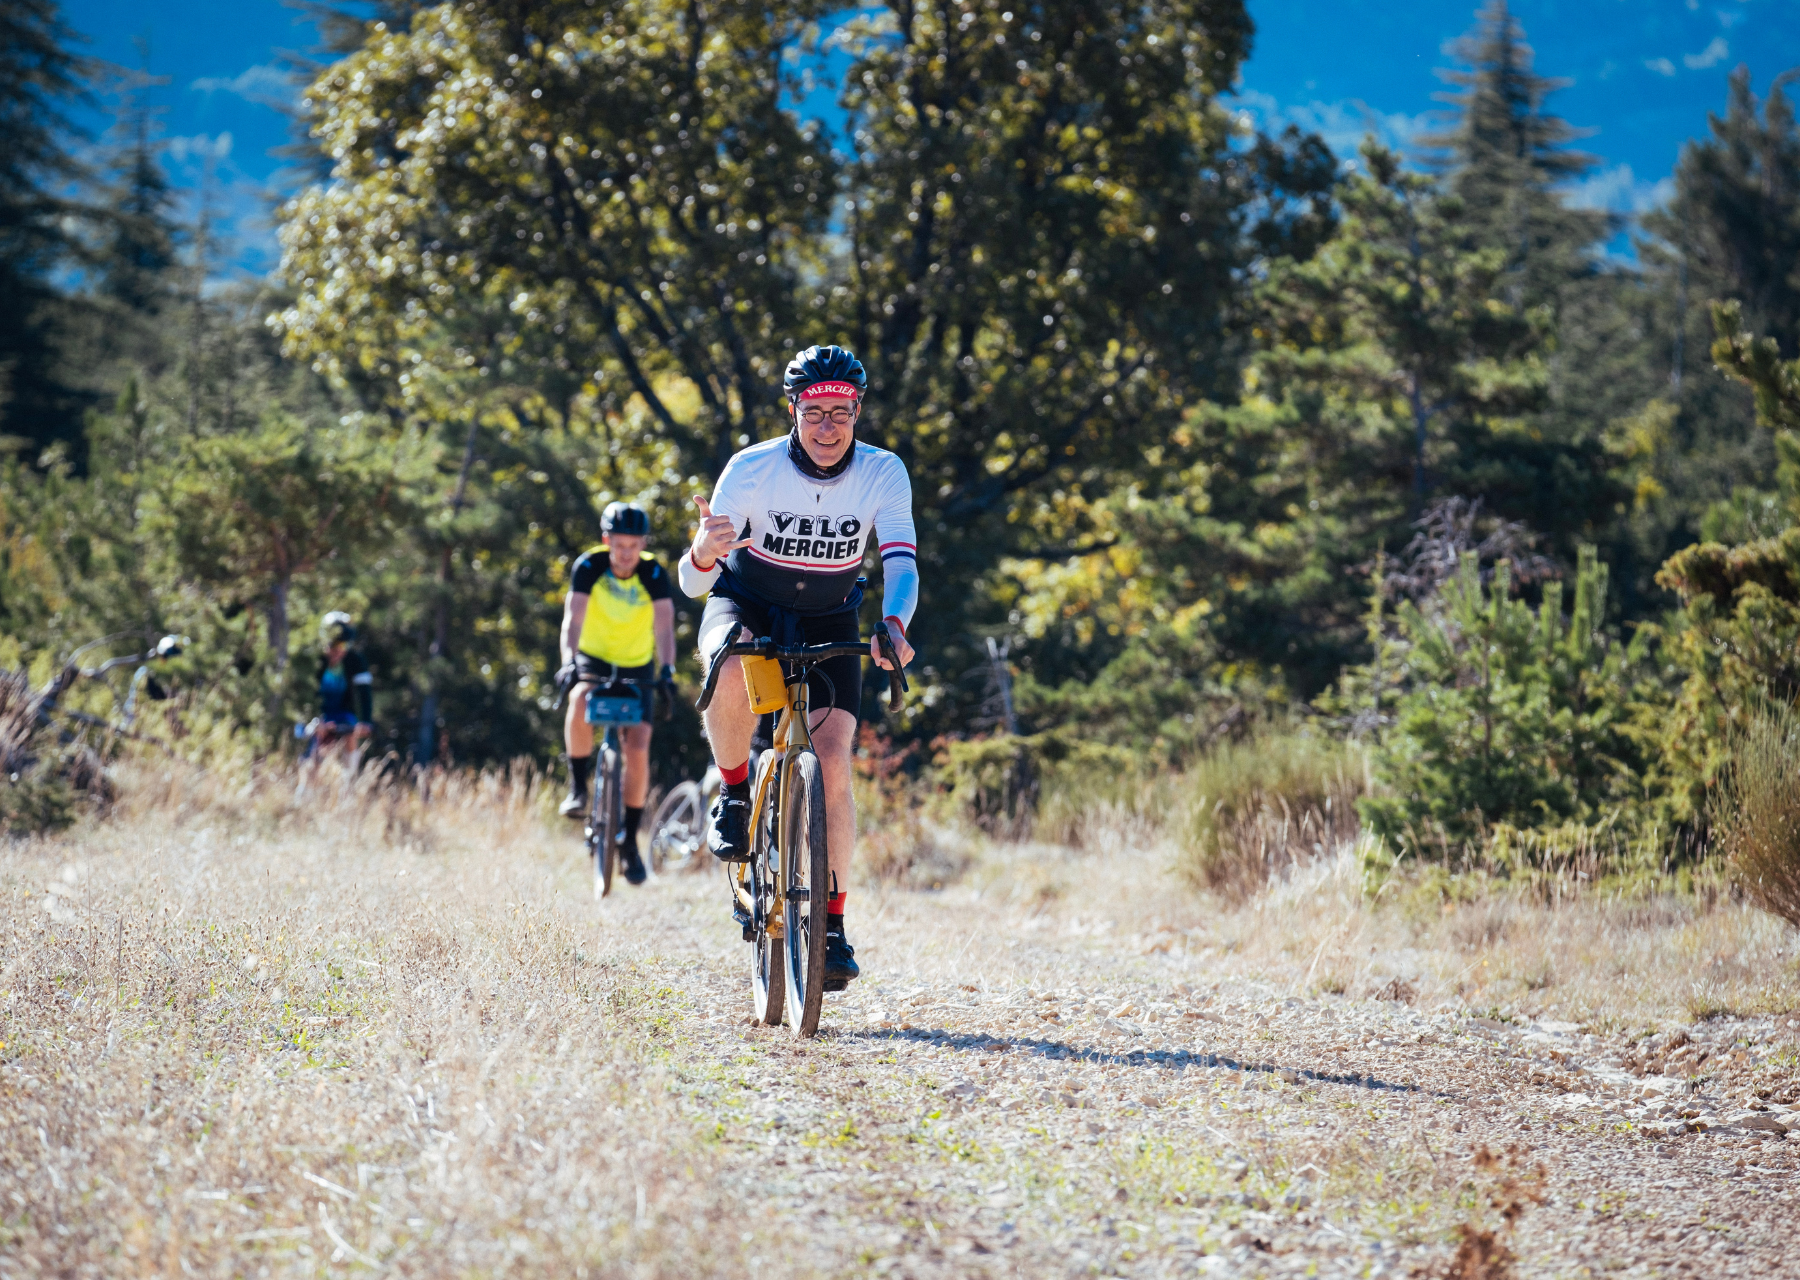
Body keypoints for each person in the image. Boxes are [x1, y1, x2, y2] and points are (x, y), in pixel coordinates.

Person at [678, 344, 917, 987]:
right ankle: (733, 792)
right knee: (728, 664)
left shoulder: (883, 471)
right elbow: (692, 583)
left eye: (842, 412)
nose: (829, 427)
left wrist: (894, 624)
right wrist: (702, 551)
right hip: (747, 604)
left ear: (859, 412)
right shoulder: (751, 470)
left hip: (830, 617)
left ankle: (832, 927)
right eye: (815, 413)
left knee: (833, 759)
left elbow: (901, 563)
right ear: (793, 411)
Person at [557, 501, 677, 886]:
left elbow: (664, 628)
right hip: (592, 659)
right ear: (606, 540)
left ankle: (627, 841)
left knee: (638, 745)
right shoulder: (589, 566)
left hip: (636, 665)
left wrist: (668, 669)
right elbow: (572, 620)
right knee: (579, 700)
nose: (626, 553)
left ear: (642, 543)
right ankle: (577, 787)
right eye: (619, 544)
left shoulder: (653, 571)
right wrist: (568, 661)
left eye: (634, 545)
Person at [314, 611, 374, 750]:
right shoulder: (313, 661)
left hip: (343, 714)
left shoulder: (355, 661)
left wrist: (366, 721)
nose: (339, 651)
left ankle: (351, 770)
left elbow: (364, 693)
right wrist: (314, 720)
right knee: (317, 743)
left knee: (351, 735)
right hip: (318, 715)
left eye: (344, 645)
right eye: (335, 645)